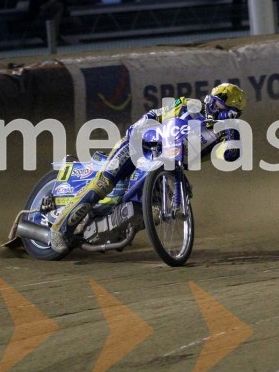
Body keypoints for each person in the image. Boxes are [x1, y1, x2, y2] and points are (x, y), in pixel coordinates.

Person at [49, 83, 248, 253]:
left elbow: (229, 155)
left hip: (169, 167)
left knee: (155, 210)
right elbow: (156, 114)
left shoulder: (223, 134)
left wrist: (231, 132)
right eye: (222, 105)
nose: (223, 112)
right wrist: (139, 127)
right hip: (140, 146)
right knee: (103, 183)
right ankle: (60, 228)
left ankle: (117, 228)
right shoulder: (189, 105)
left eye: (232, 112)